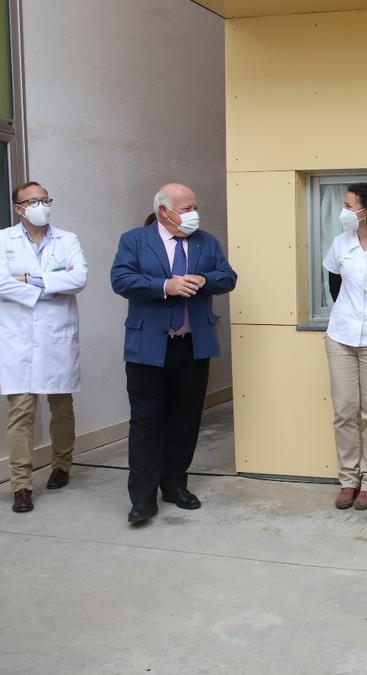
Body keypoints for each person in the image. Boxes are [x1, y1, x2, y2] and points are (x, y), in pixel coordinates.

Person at [111, 183, 237, 525]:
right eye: (186, 208)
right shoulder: (134, 240)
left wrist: (203, 279)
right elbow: (120, 280)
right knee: (146, 423)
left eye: (195, 206)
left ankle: (175, 485)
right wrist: (163, 286)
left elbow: (228, 277)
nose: (193, 213)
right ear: (164, 211)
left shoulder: (205, 241)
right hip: (148, 348)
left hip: (192, 347)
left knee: (186, 419)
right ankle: (142, 499)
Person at [0, 181, 88, 513]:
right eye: (33, 201)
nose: (41, 206)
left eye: (45, 200)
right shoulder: (1, 239)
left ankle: (61, 465)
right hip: (19, 339)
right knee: (21, 412)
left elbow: (79, 278)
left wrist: (29, 279)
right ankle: (21, 485)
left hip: (57, 334)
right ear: (19, 208)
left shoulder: (67, 239)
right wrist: (52, 282)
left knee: (61, 406)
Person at [323, 183, 367, 510]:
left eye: (350, 206)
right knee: (344, 411)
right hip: (341, 336)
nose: (345, 212)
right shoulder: (341, 243)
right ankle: (348, 480)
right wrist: (350, 314)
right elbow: (334, 283)